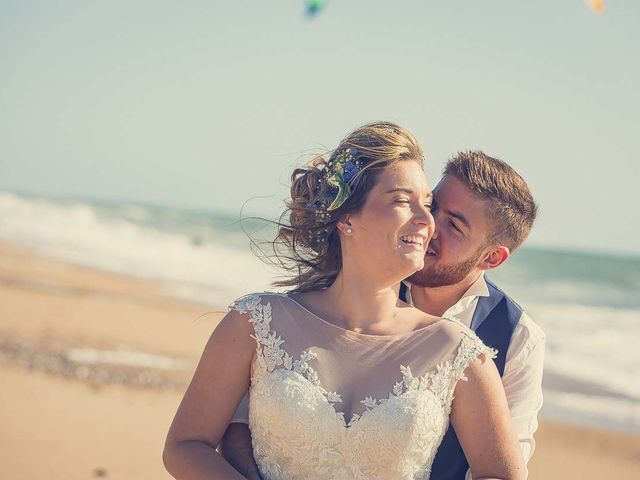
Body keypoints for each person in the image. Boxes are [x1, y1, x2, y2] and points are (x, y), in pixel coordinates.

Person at [163, 122, 525, 479]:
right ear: (347, 217)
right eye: (402, 201)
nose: (425, 220)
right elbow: (186, 445)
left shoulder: (458, 352)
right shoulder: (256, 323)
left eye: (426, 204)